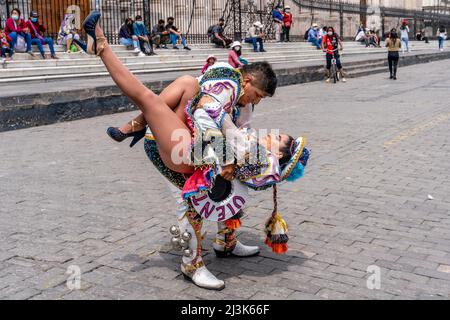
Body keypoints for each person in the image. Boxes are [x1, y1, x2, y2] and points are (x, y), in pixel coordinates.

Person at [84, 10, 309, 290]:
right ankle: (103, 47)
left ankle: (225, 242)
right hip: (182, 149)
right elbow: (206, 114)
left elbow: (240, 150)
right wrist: (229, 154)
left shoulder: (245, 111)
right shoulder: (226, 87)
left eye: (277, 138)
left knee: (223, 184)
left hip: (194, 148)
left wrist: (235, 153)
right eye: (258, 96)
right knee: (156, 101)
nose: (257, 103)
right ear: (248, 82)